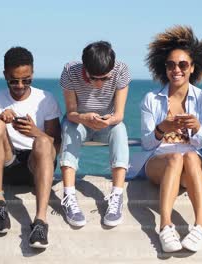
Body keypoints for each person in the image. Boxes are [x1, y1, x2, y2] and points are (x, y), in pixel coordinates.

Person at [131, 25, 202, 253]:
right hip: (160, 161)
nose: (176, 69)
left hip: (191, 163)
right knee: (176, 156)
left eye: (182, 64)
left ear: (192, 67)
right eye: (170, 64)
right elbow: (148, 143)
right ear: (164, 68)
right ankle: (165, 226)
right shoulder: (151, 99)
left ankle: (200, 226)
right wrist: (162, 128)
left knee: (187, 154)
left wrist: (197, 127)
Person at [0, 47, 61, 249]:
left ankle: (40, 222)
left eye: (26, 80)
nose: (20, 85)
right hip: (6, 166)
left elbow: (57, 147)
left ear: (33, 74)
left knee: (44, 141)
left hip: (36, 168)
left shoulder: (46, 99)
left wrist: (36, 132)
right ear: (5, 75)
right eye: (14, 80)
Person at [59, 41, 130, 227]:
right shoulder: (70, 71)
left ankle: (117, 196)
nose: (99, 83)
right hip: (79, 122)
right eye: (93, 78)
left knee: (120, 129)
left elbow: (119, 115)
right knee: (69, 128)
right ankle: (68, 195)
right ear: (85, 68)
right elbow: (71, 113)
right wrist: (85, 118)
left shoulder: (121, 71)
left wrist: (108, 120)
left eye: (104, 79)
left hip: (107, 124)